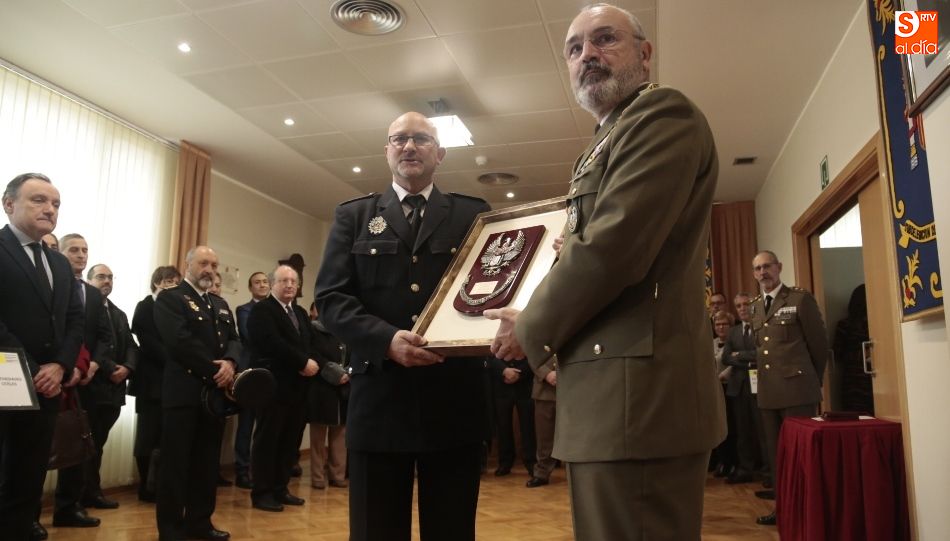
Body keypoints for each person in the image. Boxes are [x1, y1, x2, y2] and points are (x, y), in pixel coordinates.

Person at [485, 4, 725, 539]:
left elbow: (612, 249)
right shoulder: (604, 141)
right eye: (574, 48)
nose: (587, 54)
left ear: (644, 53)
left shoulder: (661, 114)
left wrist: (529, 328)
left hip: (640, 400)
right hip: (609, 399)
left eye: (604, 39)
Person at [315, 111, 491, 541]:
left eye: (420, 139)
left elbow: (492, 291)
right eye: (399, 139)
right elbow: (331, 300)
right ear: (387, 151)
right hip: (380, 402)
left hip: (453, 400)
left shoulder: (474, 215)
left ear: (440, 153)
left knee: (451, 529)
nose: (408, 146)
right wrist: (386, 340)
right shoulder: (353, 217)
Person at [0, 173, 84, 541]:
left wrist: (60, 365)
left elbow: (74, 321)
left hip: (49, 384)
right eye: (39, 200)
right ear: (9, 204)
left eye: (56, 204)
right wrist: (34, 369)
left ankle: (20, 528)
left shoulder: (60, 263)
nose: (50, 209)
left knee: (31, 466)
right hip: (6, 379)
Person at [154, 246, 240, 541]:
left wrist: (231, 363)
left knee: (206, 464)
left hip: (215, 398)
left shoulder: (219, 303)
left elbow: (235, 341)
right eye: (203, 263)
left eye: (214, 264)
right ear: (188, 264)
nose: (209, 269)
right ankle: (171, 529)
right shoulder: (171, 298)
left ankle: (200, 523)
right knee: (175, 466)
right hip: (184, 394)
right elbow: (179, 342)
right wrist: (215, 370)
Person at [749, 250, 827, 526]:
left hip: (798, 390)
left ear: (779, 267)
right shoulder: (756, 306)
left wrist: (812, 381)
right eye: (757, 269)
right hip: (769, 393)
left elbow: (819, 345)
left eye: (767, 266)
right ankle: (784, 509)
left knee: (802, 454)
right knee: (776, 456)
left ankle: (809, 510)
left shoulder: (799, 299)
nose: (762, 273)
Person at [246, 265, 319, 512]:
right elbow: (271, 343)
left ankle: (280, 488)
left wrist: (313, 362)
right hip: (273, 387)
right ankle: (262, 492)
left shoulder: (299, 312)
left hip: (299, 389)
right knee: (268, 440)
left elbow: (310, 343)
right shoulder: (262, 311)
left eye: (293, 281)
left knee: (290, 441)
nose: (289, 285)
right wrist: (302, 362)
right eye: (283, 280)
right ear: (272, 284)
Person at [53, 233, 114, 527]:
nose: (80, 255)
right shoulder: (52, 284)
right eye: (73, 250)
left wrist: (92, 364)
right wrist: (68, 364)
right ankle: (27, 515)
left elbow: (104, 335)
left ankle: (68, 508)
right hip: (51, 375)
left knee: (78, 447)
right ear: (60, 253)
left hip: (86, 381)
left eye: (85, 250)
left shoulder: (92, 294)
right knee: (39, 444)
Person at [81, 264, 138, 510]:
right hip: (91, 388)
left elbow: (133, 347)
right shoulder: (83, 309)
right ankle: (79, 497)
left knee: (98, 446)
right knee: (84, 446)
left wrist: (127, 367)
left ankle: (92, 493)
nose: (107, 281)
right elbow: (91, 345)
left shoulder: (119, 313)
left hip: (114, 393)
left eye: (111, 277)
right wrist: (109, 367)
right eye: (101, 277)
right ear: (89, 280)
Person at [130, 265, 181, 503]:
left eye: (176, 282)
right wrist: (176, 360)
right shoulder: (145, 306)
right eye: (168, 281)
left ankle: (161, 486)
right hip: (151, 382)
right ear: (157, 282)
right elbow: (148, 342)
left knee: (167, 438)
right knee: (146, 439)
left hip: (174, 382)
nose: (172, 285)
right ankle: (145, 486)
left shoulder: (177, 309)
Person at [721, 292, 768, 485]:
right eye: (738, 305)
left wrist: (739, 355)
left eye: (745, 304)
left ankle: (767, 471)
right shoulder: (733, 332)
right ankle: (745, 469)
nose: (742, 308)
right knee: (742, 431)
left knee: (762, 430)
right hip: (738, 387)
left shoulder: (762, 328)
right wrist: (747, 358)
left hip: (761, 386)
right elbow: (725, 358)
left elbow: (763, 354)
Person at [306, 303, 350, 490]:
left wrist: (348, 371)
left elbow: (353, 354)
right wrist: (332, 371)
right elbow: (313, 354)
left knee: (340, 434)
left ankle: (337, 476)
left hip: (343, 387)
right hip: (321, 388)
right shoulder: (313, 330)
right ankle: (317, 477)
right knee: (318, 436)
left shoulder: (344, 329)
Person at [233, 271, 270, 490]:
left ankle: (260, 470)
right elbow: (250, 335)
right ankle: (242, 470)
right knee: (246, 426)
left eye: (265, 282)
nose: (262, 285)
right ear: (250, 288)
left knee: (264, 426)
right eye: (257, 282)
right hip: (249, 373)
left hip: (269, 373)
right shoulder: (244, 310)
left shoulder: (275, 310)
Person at [488, 356, 536, 478]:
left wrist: (520, 373)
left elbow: (533, 353)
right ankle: (505, 462)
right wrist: (504, 370)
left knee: (528, 426)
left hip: (525, 385)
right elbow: (489, 354)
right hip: (501, 385)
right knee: (503, 426)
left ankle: (531, 463)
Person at [526, 357, 556, 488]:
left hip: (572, 387)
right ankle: (542, 473)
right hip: (544, 389)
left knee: (576, 435)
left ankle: (578, 474)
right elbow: (531, 354)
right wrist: (546, 373)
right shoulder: (536, 335)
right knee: (544, 435)